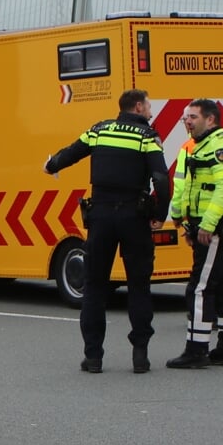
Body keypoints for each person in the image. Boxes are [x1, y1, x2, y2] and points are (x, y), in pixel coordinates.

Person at [45, 89, 172, 374]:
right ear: (138, 107)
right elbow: (161, 179)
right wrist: (159, 215)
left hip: (100, 217)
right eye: (149, 106)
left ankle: (93, 357)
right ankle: (140, 355)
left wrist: (51, 165)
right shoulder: (146, 137)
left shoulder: (100, 130)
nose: (151, 111)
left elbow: (71, 153)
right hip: (134, 217)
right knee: (139, 286)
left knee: (94, 287)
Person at [166, 98, 223, 370]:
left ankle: (196, 350)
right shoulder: (198, 147)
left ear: (210, 119)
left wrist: (208, 225)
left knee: (200, 288)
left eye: (193, 117)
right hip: (210, 225)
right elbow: (186, 187)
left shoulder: (221, 146)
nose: (187, 122)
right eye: (185, 118)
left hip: (218, 226)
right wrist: (180, 218)